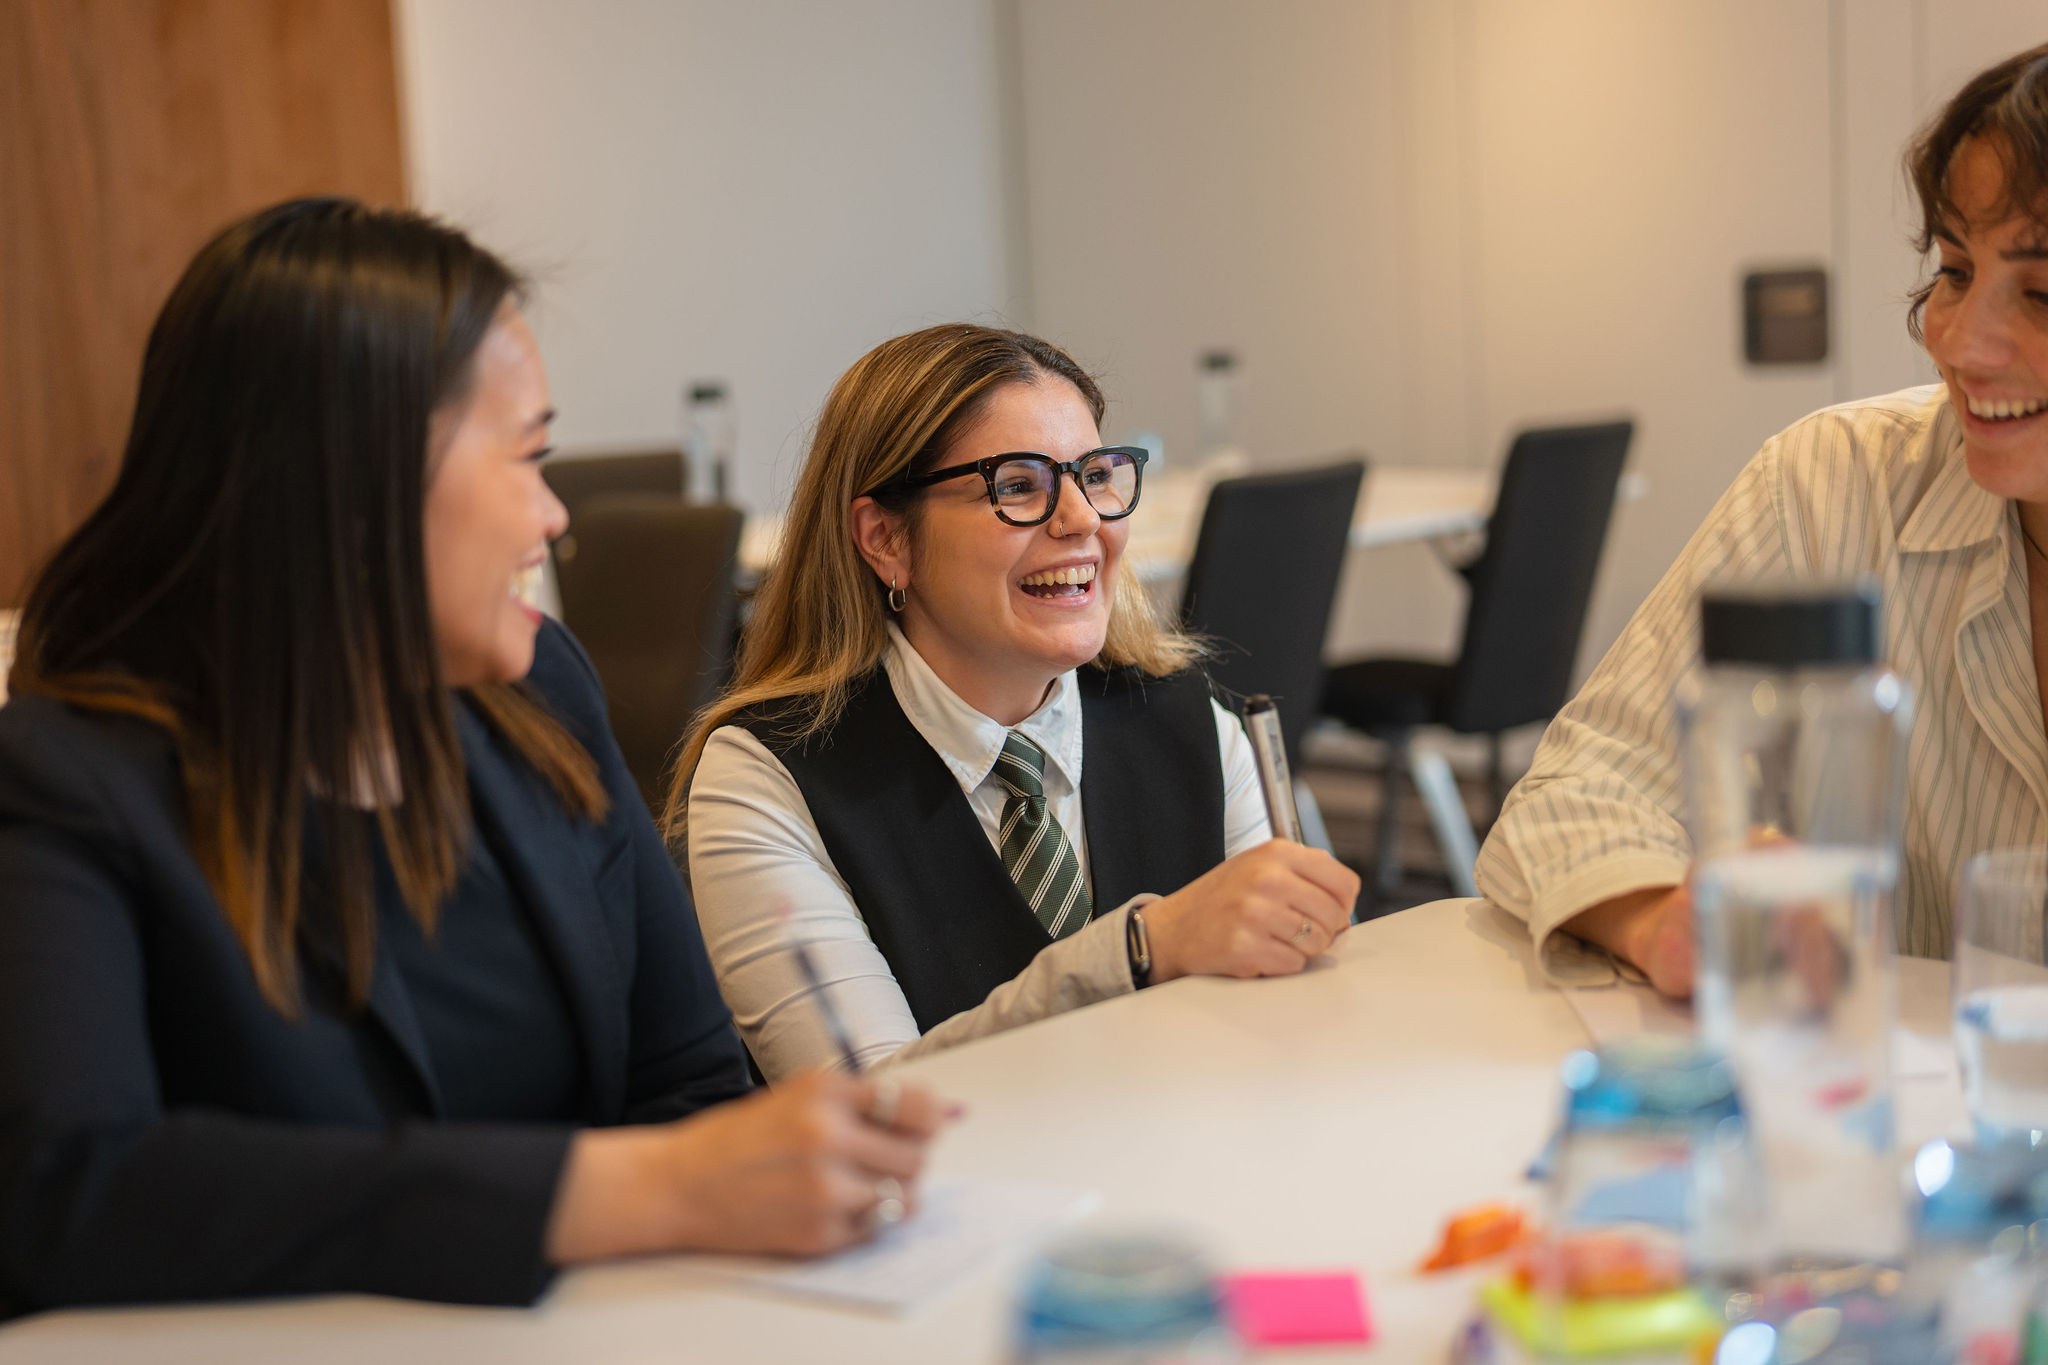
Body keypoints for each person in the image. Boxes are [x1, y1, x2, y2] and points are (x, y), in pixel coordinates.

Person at [0, 198, 943, 1316]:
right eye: (528, 457)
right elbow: (67, 1193)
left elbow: (685, 1080)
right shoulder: (66, 786)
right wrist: (607, 1192)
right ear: (355, 485)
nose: (553, 518)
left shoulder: (541, 698)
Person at [1476, 41, 2048, 997]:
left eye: (2041, 291)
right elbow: (1575, 797)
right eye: (1953, 270)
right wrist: (1663, 920)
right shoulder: (1835, 481)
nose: (1958, 340)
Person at [671, 324, 1361, 1080]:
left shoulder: (1195, 728)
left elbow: (1292, 1033)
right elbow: (873, 1108)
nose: (1083, 519)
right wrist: (1140, 951)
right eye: (1018, 486)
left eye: (1095, 476)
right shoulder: (767, 780)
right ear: (885, 538)